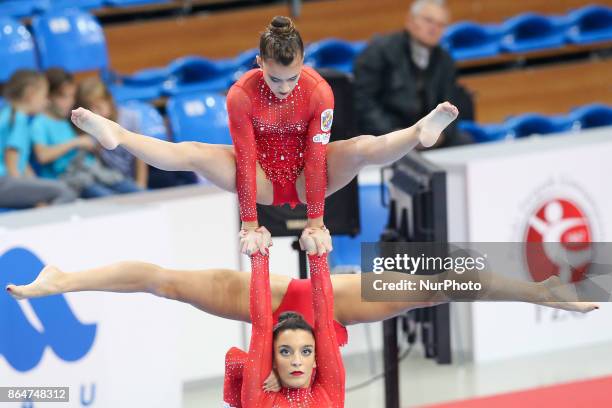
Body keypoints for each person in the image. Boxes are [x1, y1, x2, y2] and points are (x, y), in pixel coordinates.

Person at [6, 230, 599, 393]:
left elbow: (249, 356)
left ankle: (64, 280)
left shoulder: (268, 384)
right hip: (316, 307)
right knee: (438, 281)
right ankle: (63, 279)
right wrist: (536, 292)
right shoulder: (328, 371)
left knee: (166, 285)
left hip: (275, 310)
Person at [68, 15, 460, 255]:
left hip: (310, 179)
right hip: (260, 177)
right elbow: (244, 155)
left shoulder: (319, 91)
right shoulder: (241, 93)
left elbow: (316, 156)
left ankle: (417, 131)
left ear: (304, 63)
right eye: (274, 77)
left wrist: (316, 222)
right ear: (259, 63)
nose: (285, 87)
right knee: (192, 151)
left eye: (292, 77)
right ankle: (118, 135)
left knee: (360, 147)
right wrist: (250, 224)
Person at [223, 248, 344, 407]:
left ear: (315, 359)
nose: (296, 361)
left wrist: (317, 251)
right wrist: (264, 370)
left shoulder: (327, 395)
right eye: (285, 352)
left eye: (306, 351)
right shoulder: (264, 397)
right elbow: (260, 328)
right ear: (273, 359)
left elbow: (325, 324)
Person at [353, 0, 473, 148]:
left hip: (429, 137)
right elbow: (364, 103)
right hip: (388, 135)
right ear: (410, 21)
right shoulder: (378, 52)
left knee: (465, 141)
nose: (434, 28)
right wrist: (398, 135)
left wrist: (440, 133)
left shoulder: (445, 60)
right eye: (429, 20)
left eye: (441, 24)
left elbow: (451, 102)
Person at [31, 69, 142, 199]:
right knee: (110, 199)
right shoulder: (40, 123)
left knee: (136, 191)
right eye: (63, 97)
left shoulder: (68, 118)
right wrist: (76, 142)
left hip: (95, 171)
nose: (70, 102)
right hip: (72, 178)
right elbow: (42, 156)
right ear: (49, 97)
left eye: (72, 96)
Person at [0, 70, 77, 208]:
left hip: (6, 182)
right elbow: (12, 168)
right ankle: (47, 221)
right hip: (4, 182)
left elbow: (21, 163)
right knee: (65, 191)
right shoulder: (17, 120)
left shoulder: (10, 114)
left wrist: (34, 186)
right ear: (30, 94)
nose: (46, 101)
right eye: (43, 96)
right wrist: (33, 198)